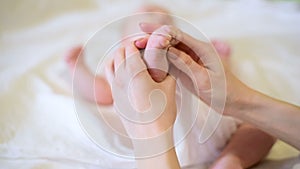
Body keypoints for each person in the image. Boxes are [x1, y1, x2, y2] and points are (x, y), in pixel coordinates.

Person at [65, 5, 275, 169]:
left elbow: (222, 84)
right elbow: (101, 93)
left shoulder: (189, 56)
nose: (159, 17)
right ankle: (151, 64)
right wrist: (79, 69)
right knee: (136, 73)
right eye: (148, 15)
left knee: (265, 128)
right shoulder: (119, 65)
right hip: (156, 139)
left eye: (166, 19)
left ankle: (229, 162)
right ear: (122, 39)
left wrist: (221, 60)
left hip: (204, 127)